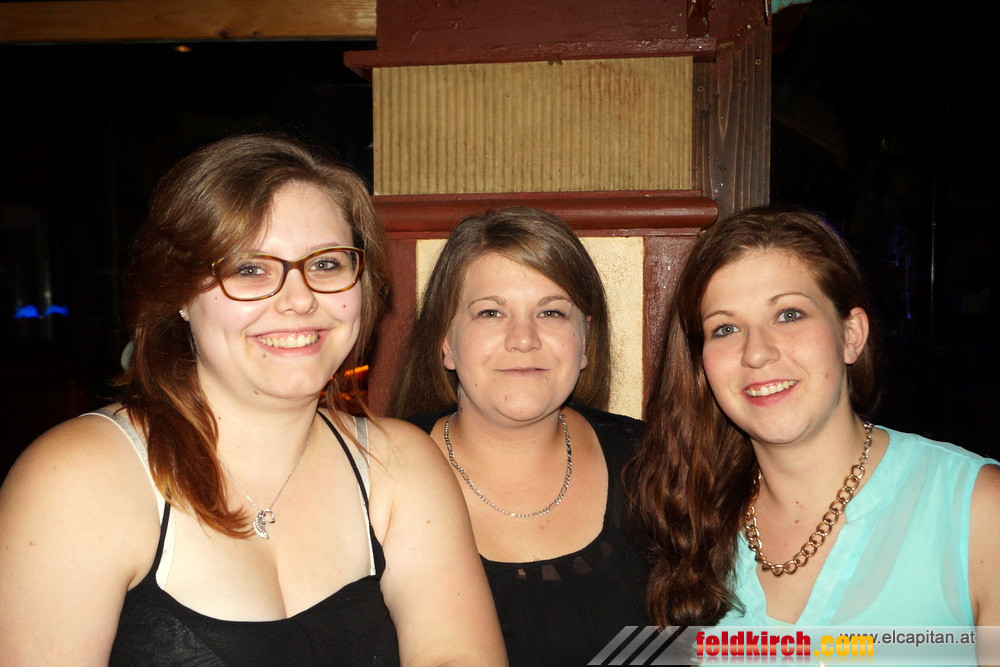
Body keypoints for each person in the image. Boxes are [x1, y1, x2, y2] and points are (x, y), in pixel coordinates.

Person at [0, 133, 505, 665]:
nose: (300, 300)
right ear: (178, 294)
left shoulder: (401, 465)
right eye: (249, 269)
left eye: (327, 264)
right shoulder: (76, 477)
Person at [629, 204, 1000, 631]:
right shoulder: (681, 516)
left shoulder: (976, 511)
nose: (756, 353)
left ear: (851, 335)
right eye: (725, 329)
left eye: (789, 315)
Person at [390, 207, 649, 666]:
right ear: (446, 341)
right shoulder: (377, 473)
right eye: (491, 312)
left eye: (551, 312)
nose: (524, 339)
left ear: (585, 339)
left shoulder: (656, 464)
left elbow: (714, 644)